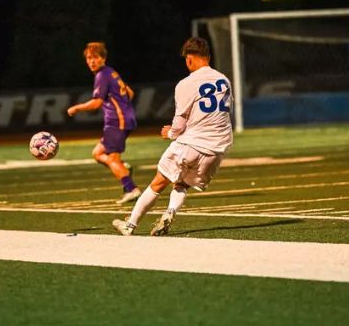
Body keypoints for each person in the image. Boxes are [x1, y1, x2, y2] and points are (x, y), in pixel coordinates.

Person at [112, 37, 232, 236]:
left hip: (191, 144)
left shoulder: (186, 83)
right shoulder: (224, 80)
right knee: (182, 183)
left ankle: (130, 224)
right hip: (217, 149)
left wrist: (170, 133)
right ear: (208, 57)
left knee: (158, 183)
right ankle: (170, 211)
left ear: (189, 58)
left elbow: (180, 121)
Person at [67, 42, 141, 204]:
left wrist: (76, 108)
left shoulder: (102, 75)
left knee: (112, 159)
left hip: (116, 121)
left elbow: (96, 103)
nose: (92, 61)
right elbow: (130, 92)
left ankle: (131, 189)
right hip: (123, 119)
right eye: (89, 58)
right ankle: (124, 169)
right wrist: (123, 106)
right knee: (97, 153)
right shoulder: (111, 72)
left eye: (95, 57)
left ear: (103, 58)